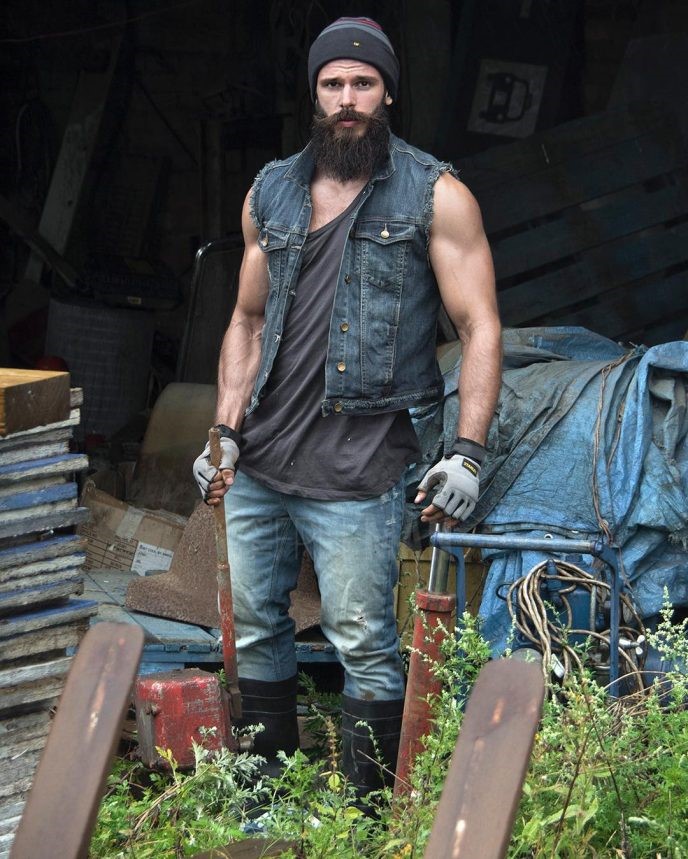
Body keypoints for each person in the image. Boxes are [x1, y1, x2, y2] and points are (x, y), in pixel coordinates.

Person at [193, 16, 501, 803]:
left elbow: (479, 326)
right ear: (315, 93)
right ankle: (266, 801)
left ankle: (363, 819)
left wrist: (467, 452)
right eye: (333, 83)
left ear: (387, 92)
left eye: (364, 83)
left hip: (363, 466)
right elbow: (247, 320)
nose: (348, 99)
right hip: (262, 461)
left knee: (363, 641)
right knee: (258, 627)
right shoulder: (271, 191)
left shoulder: (434, 194)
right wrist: (224, 430)